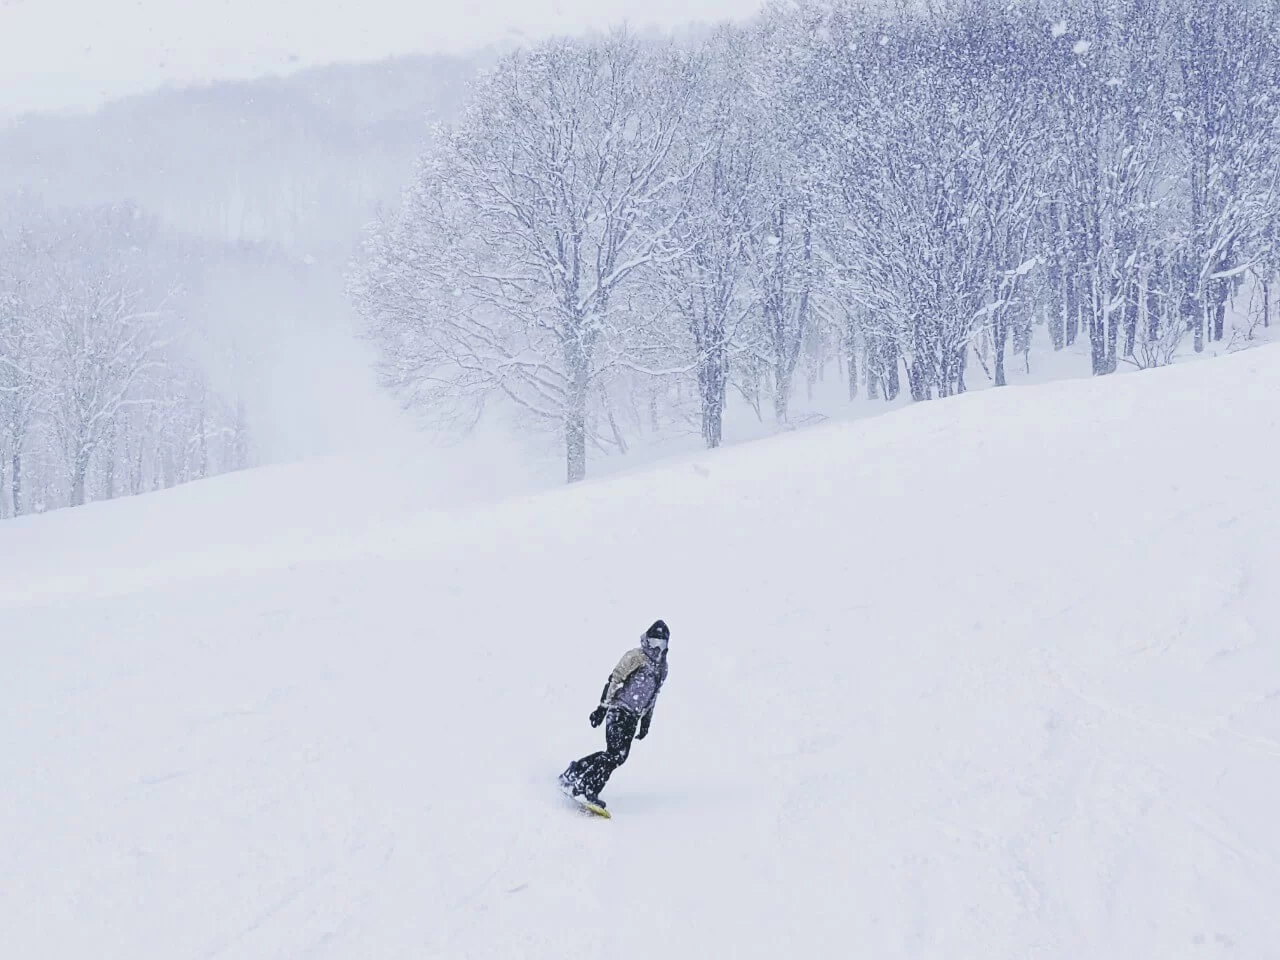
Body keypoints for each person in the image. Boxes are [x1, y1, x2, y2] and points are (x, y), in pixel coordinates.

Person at [559, 619, 670, 810]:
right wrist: (603, 707)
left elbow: (654, 695)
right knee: (616, 754)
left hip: (633, 717)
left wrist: (646, 722)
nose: (656, 648)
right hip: (619, 710)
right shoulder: (637, 656)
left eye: (661, 644)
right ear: (647, 639)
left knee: (616, 755)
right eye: (653, 642)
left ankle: (575, 772)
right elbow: (615, 679)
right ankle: (586, 788)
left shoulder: (662, 668)